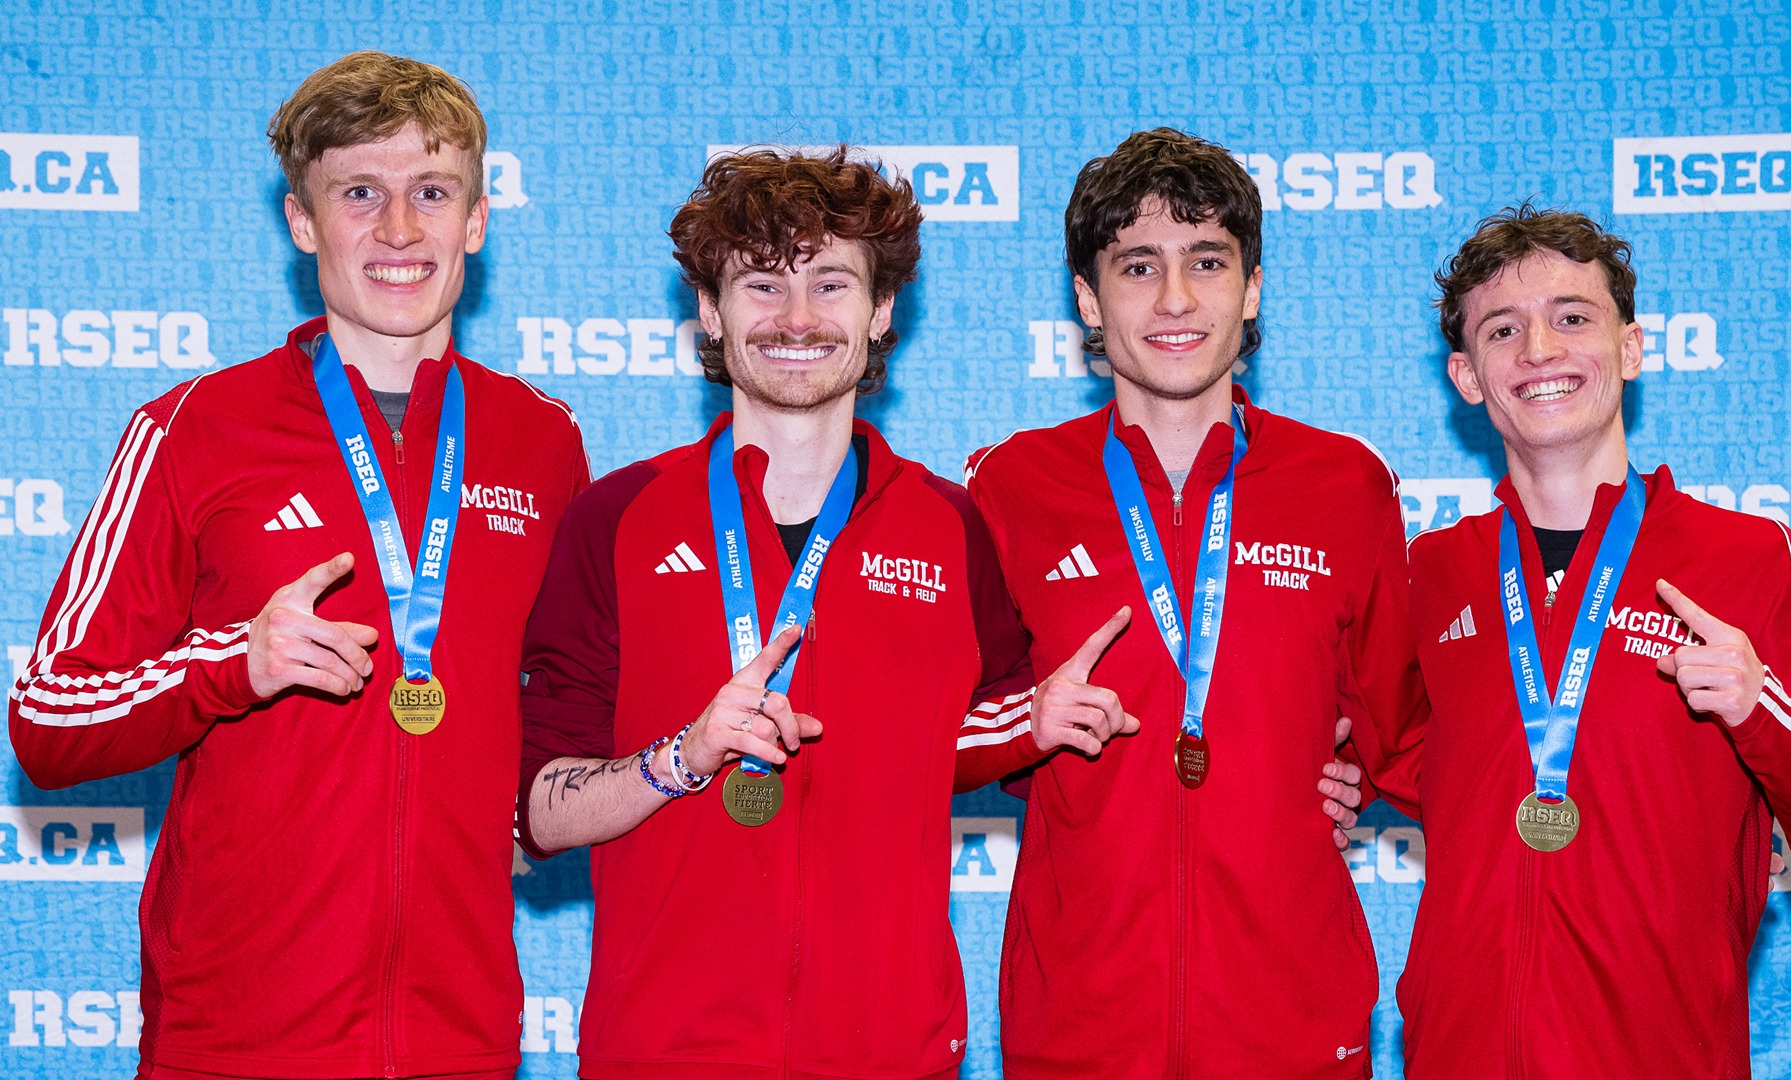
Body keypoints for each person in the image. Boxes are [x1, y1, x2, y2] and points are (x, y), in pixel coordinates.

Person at [8, 52, 590, 1080]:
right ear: (302, 222)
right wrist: (234, 662)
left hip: (462, 1041)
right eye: (359, 193)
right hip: (236, 1041)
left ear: (477, 220)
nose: (399, 229)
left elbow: (566, 703)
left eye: (431, 192)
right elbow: (48, 719)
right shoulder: (192, 429)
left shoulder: (543, 441)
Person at [513, 148, 1105, 1078]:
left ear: (880, 310)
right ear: (711, 310)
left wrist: (1313, 761)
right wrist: (682, 758)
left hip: (893, 1054)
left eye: (831, 283)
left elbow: (989, 742)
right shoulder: (616, 520)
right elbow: (540, 813)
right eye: (762, 283)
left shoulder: (953, 528)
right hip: (665, 1056)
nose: (797, 318)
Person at [1392, 203, 1791, 1078]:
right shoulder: (1428, 574)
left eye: (1572, 318)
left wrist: (1762, 710)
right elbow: (1380, 745)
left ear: (1631, 349)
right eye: (1502, 329)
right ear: (1468, 377)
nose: (1540, 350)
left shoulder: (1752, 561)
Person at [955, 127, 1424, 1078]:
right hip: (1079, 1033)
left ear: (1252, 290)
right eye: (1138, 266)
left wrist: (1348, 777)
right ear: (1088, 299)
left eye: (1207, 261)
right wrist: (1026, 727)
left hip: (1293, 1028)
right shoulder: (1008, 487)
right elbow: (930, 736)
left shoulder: (1346, 484)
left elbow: (1405, 722)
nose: (1175, 298)